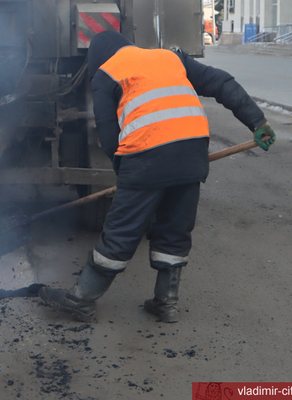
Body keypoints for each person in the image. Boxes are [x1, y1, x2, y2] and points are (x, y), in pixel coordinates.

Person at [39, 30, 276, 324]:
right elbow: (221, 82)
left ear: (98, 58)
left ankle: (81, 299)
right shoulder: (171, 56)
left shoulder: (105, 74)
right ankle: (166, 303)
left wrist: (123, 173)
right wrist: (258, 121)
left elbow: (109, 135)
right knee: (175, 228)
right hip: (193, 154)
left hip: (145, 156)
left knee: (121, 231)